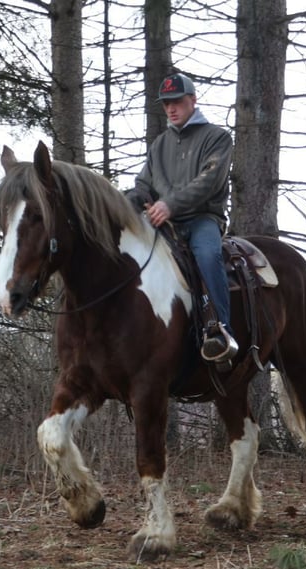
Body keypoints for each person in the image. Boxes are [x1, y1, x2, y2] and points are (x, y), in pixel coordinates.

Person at [127, 73, 238, 363]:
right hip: (164, 223)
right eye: (166, 104)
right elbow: (143, 186)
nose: (171, 108)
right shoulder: (159, 145)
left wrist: (169, 205)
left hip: (202, 219)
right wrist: (121, 206)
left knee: (208, 255)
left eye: (176, 101)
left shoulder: (217, 137)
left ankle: (220, 331)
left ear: (192, 100)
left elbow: (209, 182)